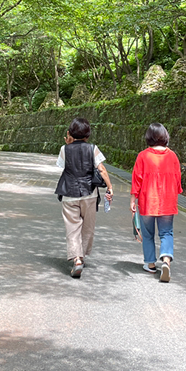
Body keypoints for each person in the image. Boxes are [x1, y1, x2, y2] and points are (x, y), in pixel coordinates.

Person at [54, 117, 113, 278]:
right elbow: (101, 169)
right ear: (88, 134)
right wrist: (110, 187)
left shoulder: (64, 149)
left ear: (70, 133)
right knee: (88, 228)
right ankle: (82, 256)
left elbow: (62, 166)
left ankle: (77, 259)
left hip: (69, 194)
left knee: (72, 229)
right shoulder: (92, 148)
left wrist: (68, 145)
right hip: (89, 193)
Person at [130, 123, 182, 282]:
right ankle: (166, 260)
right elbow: (177, 178)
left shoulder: (143, 156)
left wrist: (133, 199)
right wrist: (176, 192)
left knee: (147, 234)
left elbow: (137, 179)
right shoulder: (172, 156)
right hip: (167, 201)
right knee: (166, 232)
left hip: (147, 201)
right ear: (165, 136)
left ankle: (150, 264)